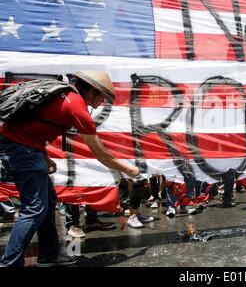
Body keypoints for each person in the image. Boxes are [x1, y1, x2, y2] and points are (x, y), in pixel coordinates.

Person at [0, 70, 141, 267]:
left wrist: (44, 156)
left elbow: (32, 129)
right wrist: (130, 170)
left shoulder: (65, 95)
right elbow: (101, 154)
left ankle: (49, 254)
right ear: (92, 90)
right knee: (33, 210)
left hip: (26, 148)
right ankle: (9, 263)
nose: (103, 102)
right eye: (102, 96)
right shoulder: (76, 107)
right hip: (22, 151)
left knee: (47, 202)